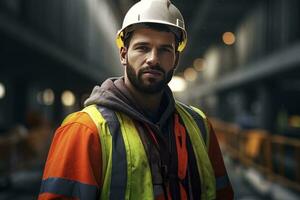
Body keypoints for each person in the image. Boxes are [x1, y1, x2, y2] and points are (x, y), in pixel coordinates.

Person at [38, 0, 234, 199]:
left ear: (175, 58)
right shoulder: (84, 130)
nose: (153, 59)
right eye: (142, 48)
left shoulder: (199, 126)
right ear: (124, 54)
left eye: (165, 49)